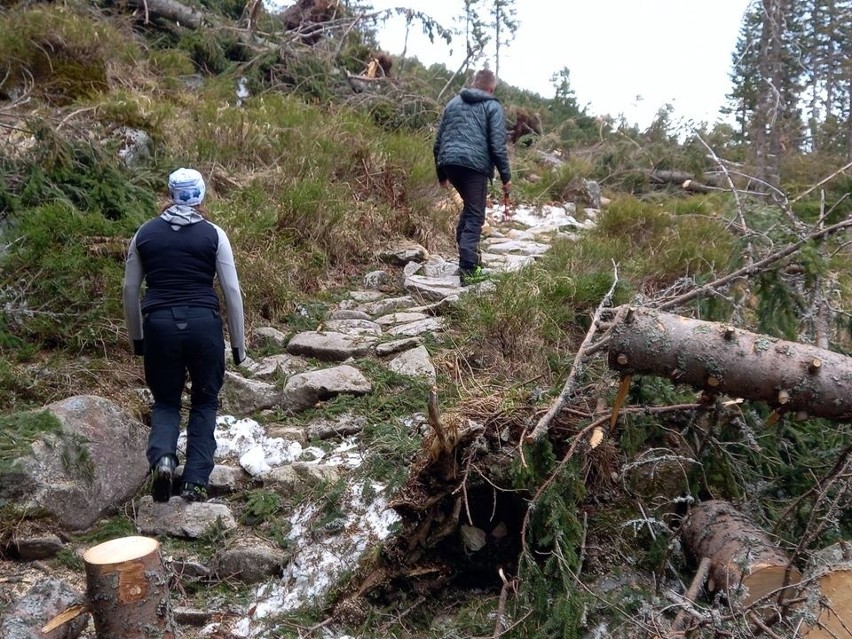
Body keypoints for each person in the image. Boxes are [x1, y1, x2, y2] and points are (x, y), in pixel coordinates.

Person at [123, 168, 246, 503]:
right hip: (204, 325)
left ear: (170, 194)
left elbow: (130, 289)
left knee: (165, 400)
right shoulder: (214, 234)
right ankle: (194, 481)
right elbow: (232, 291)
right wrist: (238, 346)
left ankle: (163, 458)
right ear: (201, 196)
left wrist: (137, 339)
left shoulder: (144, 234)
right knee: (205, 401)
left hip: (159, 326)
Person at [433, 68, 512, 286]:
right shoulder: (493, 106)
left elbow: (438, 142)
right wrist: (506, 178)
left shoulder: (452, 103)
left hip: (449, 163)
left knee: (470, 209)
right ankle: (468, 270)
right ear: (491, 87)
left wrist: (442, 174)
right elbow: (497, 146)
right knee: (476, 215)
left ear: (473, 83)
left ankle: (469, 259)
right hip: (474, 166)